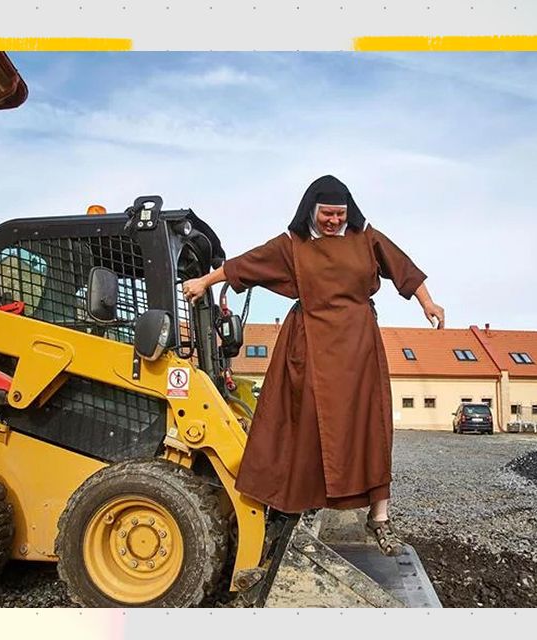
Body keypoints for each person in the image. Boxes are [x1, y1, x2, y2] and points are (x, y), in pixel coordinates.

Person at [181, 175, 445, 556]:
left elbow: (404, 268)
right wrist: (205, 281)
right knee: (303, 426)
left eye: (340, 214)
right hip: (309, 346)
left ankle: (380, 517)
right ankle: (296, 508)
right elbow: (248, 263)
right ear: (311, 211)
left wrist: (428, 303)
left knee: (371, 425)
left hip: (359, 346)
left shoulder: (366, 238)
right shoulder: (292, 245)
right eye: (327, 214)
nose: (334, 221)